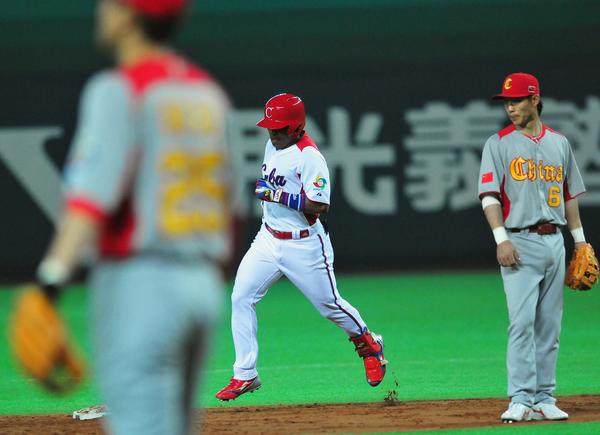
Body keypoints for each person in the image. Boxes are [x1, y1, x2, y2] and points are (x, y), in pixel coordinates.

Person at [35, 0, 232, 433]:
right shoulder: (207, 92)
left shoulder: (119, 89)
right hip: (201, 287)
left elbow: (90, 201)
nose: (100, 11)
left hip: (143, 285)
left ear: (127, 17)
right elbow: (228, 201)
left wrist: (50, 282)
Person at [215, 93, 387, 401]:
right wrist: (273, 193)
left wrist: (277, 196)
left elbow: (319, 205)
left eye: (279, 128)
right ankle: (245, 374)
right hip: (268, 238)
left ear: (297, 127)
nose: (273, 133)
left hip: (304, 244)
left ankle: (369, 344)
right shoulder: (273, 144)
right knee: (240, 296)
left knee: (329, 306)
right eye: (270, 127)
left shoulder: (310, 156)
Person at [478, 73, 587, 423]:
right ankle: (521, 397)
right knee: (521, 323)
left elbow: (569, 196)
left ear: (535, 100)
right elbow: (490, 196)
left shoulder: (560, 143)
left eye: (516, 100)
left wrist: (580, 242)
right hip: (518, 241)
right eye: (506, 102)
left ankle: (544, 397)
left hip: (554, 241)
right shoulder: (498, 144)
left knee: (549, 326)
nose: (510, 107)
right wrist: (501, 239)